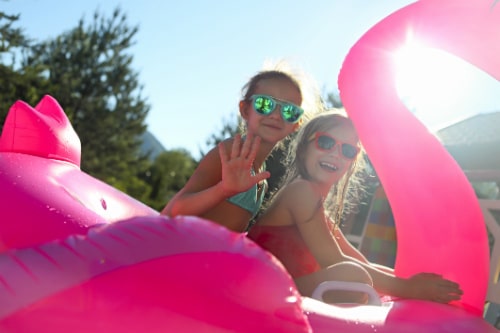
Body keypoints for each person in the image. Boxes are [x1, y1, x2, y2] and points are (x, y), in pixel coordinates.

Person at [247, 110, 463, 304]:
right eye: (326, 142)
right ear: (304, 148)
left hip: (283, 285)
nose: (335, 154)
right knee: (353, 277)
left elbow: (359, 260)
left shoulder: (317, 209)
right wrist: (408, 288)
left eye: (348, 150)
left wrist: (409, 280)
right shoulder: (301, 191)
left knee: (364, 272)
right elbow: (333, 260)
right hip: (261, 288)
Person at [161, 63, 318, 232]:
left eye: (289, 111)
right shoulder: (230, 153)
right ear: (245, 110)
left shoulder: (261, 180)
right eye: (264, 104)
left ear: (296, 124)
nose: (275, 115)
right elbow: (178, 208)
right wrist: (224, 190)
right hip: (172, 248)